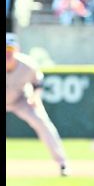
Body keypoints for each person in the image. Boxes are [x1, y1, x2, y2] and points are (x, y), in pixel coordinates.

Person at [5, 33, 69, 176]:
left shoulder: (27, 65)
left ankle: (62, 163)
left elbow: (38, 83)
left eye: (10, 49)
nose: (7, 54)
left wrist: (35, 97)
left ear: (17, 50)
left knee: (42, 122)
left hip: (20, 99)